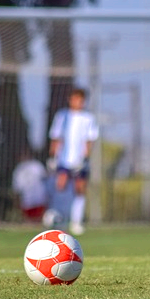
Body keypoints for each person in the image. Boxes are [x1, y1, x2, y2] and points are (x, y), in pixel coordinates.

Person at [48, 87, 99, 235]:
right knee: (60, 187)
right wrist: (52, 157)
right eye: (75, 99)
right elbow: (56, 137)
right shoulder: (62, 116)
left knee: (80, 189)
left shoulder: (88, 118)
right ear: (70, 100)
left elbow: (89, 140)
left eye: (81, 100)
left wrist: (85, 158)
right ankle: (59, 219)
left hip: (79, 160)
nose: (78, 102)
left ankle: (76, 221)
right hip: (63, 159)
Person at [11, 152, 48, 222]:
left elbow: (45, 180)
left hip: (39, 200)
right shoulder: (19, 169)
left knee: (39, 221)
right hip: (27, 202)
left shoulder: (36, 165)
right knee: (29, 222)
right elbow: (16, 188)